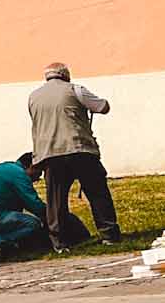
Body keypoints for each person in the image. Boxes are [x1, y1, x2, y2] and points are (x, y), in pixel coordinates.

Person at [29, 62, 121, 247]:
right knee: (97, 192)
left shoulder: (34, 96)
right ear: (65, 75)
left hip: (49, 153)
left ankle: (59, 241)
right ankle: (109, 234)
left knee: (56, 200)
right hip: (78, 148)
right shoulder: (75, 89)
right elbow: (102, 107)